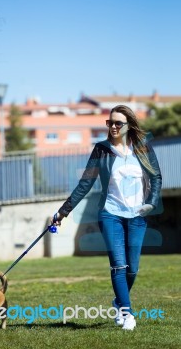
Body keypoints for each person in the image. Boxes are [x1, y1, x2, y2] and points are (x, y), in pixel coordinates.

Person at [52, 105, 162, 330]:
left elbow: (156, 176)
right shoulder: (101, 150)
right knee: (119, 266)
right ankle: (128, 314)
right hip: (110, 214)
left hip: (137, 216)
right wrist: (63, 211)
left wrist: (151, 202)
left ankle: (119, 302)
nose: (112, 126)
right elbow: (85, 183)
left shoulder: (142, 148)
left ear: (128, 125)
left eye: (117, 123)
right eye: (109, 123)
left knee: (132, 268)